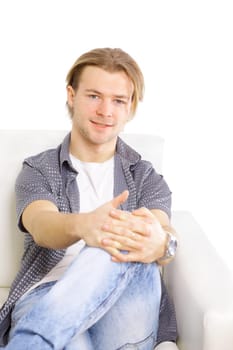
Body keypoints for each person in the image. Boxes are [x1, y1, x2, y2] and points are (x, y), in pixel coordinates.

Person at [0, 47, 178, 349]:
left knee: (120, 235)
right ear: (72, 96)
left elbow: (159, 227)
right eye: (94, 96)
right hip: (47, 296)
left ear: (131, 106)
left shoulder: (146, 176)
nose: (106, 111)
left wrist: (162, 244)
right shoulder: (38, 168)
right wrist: (85, 226)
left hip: (126, 304)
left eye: (118, 100)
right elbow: (41, 224)